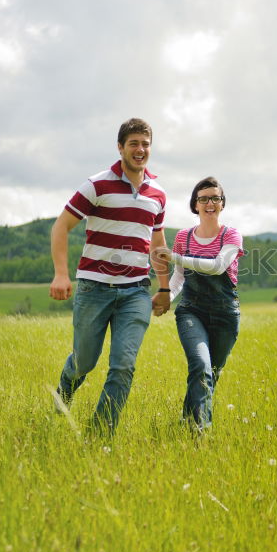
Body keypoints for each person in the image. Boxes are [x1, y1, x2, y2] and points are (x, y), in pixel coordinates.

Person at [49, 117, 171, 436]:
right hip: (94, 288)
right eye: (133, 143)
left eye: (145, 144)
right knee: (84, 363)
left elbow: (157, 244)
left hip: (136, 293)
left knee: (123, 366)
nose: (140, 149)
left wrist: (165, 288)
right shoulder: (97, 184)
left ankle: (99, 436)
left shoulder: (158, 194)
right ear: (120, 148)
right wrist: (61, 274)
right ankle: (63, 394)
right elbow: (61, 226)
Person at [153, 176, 243, 437]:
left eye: (215, 198)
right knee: (200, 365)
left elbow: (218, 266)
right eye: (203, 198)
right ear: (195, 204)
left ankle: (186, 423)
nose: (210, 203)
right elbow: (179, 276)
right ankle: (200, 434)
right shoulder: (184, 237)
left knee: (211, 374)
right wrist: (167, 297)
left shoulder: (232, 235)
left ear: (223, 203)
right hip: (192, 311)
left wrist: (175, 256)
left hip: (225, 313)